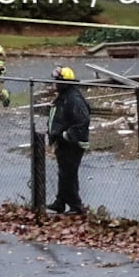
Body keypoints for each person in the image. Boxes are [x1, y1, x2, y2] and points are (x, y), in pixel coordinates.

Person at [46, 67, 89, 215]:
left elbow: (82, 121)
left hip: (73, 144)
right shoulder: (63, 96)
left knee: (68, 173)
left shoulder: (74, 99)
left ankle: (76, 206)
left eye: (58, 81)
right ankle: (60, 202)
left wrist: (66, 135)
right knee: (63, 172)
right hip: (63, 142)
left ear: (66, 82)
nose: (55, 84)